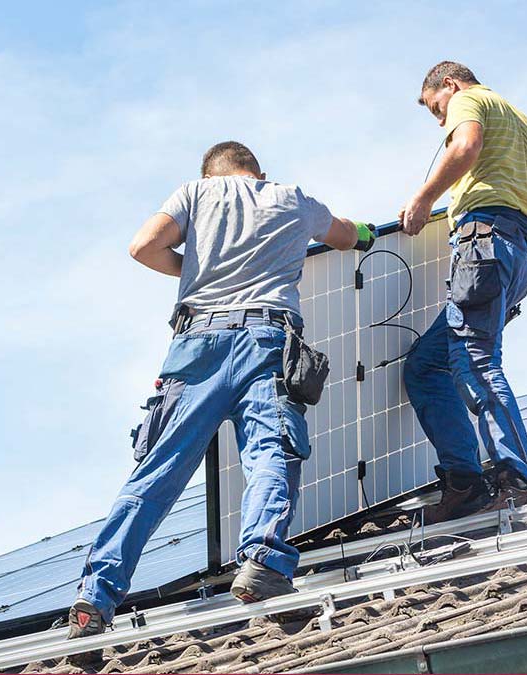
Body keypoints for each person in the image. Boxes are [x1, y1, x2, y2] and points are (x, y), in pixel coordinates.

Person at [67, 141, 372, 638]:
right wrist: (364, 231)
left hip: (195, 346)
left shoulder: (194, 194)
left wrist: (191, 267)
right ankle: (262, 563)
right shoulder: (290, 197)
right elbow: (344, 235)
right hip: (265, 343)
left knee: (158, 472)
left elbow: (143, 247)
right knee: (271, 453)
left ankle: (94, 596)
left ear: (211, 174)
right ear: (258, 172)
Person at [399, 61, 527, 523]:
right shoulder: (525, 125)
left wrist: (424, 199)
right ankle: (465, 482)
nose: (441, 122)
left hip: (485, 244)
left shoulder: (471, 100)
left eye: (436, 109)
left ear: (449, 85)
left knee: (476, 362)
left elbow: (466, 145)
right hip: (518, 256)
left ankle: (518, 477)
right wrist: (518, 257)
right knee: (427, 365)